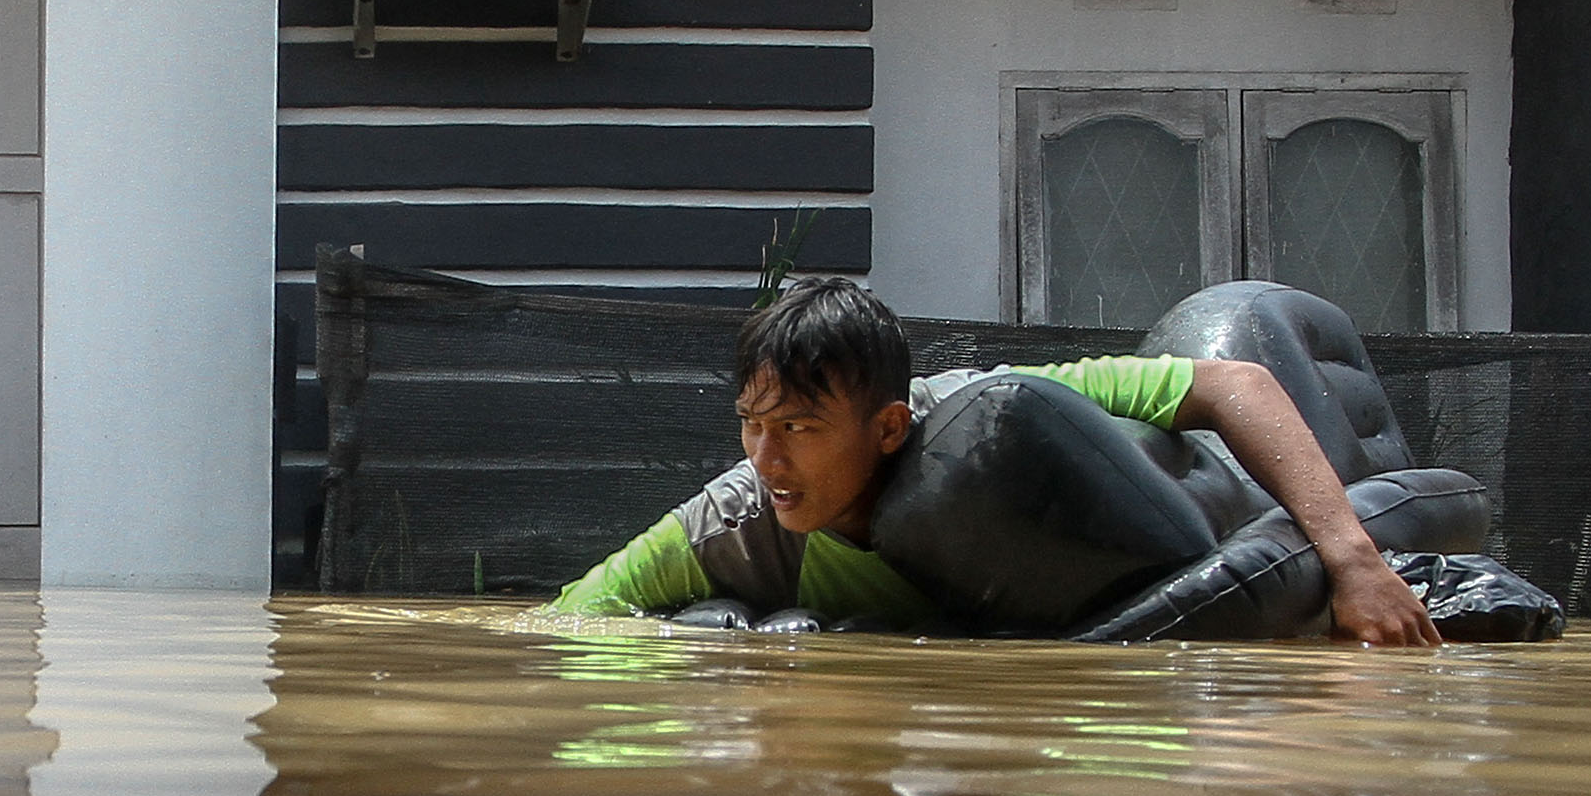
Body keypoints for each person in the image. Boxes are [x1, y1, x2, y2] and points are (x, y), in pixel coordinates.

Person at [554, 276, 1441, 648]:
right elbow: (564, 625)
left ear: (890, 427)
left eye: (799, 427)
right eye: (751, 423)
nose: (766, 456)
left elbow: (1233, 382)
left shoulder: (990, 419)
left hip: (1214, 513)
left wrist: (1353, 560)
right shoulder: (737, 521)